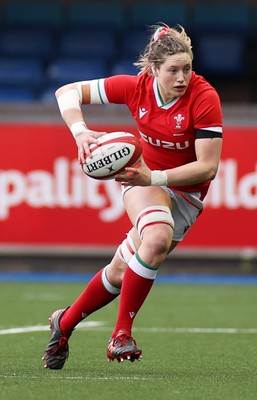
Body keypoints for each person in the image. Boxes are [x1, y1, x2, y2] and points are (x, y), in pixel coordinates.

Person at [42, 24, 223, 369]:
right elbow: (67, 92)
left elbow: (207, 168)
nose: (182, 77)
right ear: (154, 70)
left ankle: (63, 323)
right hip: (142, 180)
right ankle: (121, 335)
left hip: (183, 192)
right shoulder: (134, 88)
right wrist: (80, 132)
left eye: (187, 68)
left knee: (122, 268)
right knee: (155, 238)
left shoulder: (204, 97)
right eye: (172, 70)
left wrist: (152, 176)